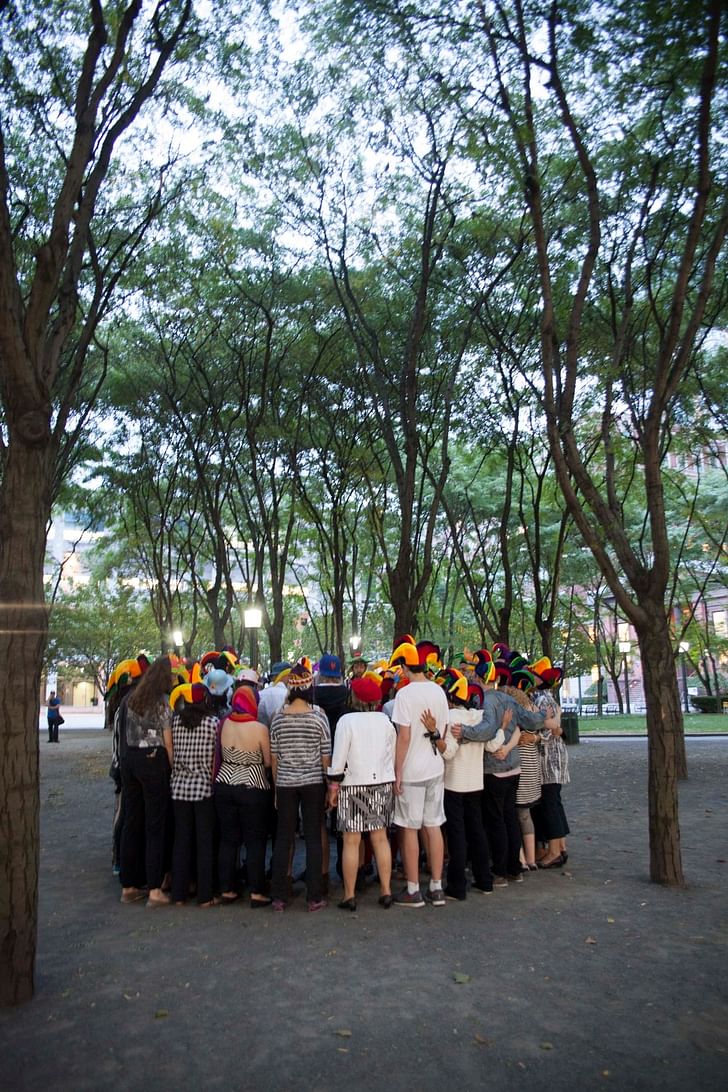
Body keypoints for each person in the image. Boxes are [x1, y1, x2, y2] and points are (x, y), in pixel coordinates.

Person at [326, 676, 397, 911]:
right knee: (380, 838)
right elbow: (391, 754)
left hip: (353, 784)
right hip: (381, 782)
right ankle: (386, 890)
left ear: (354, 697)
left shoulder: (346, 721)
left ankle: (349, 895)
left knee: (351, 840)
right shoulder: (386, 721)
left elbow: (339, 759)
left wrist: (333, 786)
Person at [389, 641, 450, 908]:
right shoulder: (438, 691)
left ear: (404, 667)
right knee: (434, 825)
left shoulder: (404, 695)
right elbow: (444, 730)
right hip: (435, 768)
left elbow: (403, 737)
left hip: (412, 771)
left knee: (410, 829)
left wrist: (397, 771)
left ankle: (413, 888)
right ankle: (436, 887)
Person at [269, 662, 331, 912]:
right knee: (314, 837)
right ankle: (314, 895)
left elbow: (274, 758)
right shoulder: (319, 717)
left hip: (285, 783)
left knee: (284, 837)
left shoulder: (277, 718)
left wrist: (276, 787)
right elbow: (325, 756)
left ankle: (279, 896)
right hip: (313, 783)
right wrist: (329, 786)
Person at [118, 655, 174, 908]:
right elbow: (167, 739)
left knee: (132, 820)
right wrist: (172, 766)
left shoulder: (130, 700)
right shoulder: (162, 703)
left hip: (130, 760)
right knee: (155, 825)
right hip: (153, 761)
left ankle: (128, 885)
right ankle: (154, 889)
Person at [214, 685, 273, 907]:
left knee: (229, 840)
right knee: (255, 841)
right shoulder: (259, 728)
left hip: (225, 784)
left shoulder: (224, 724)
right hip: (253, 786)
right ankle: (257, 891)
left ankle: (227, 888)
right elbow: (267, 761)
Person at [164, 683, 219, 907]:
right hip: (204, 788)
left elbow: (170, 749)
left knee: (181, 841)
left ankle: (179, 893)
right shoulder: (213, 723)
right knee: (204, 842)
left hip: (178, 788)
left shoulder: (175, 722)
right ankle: (205, 895)